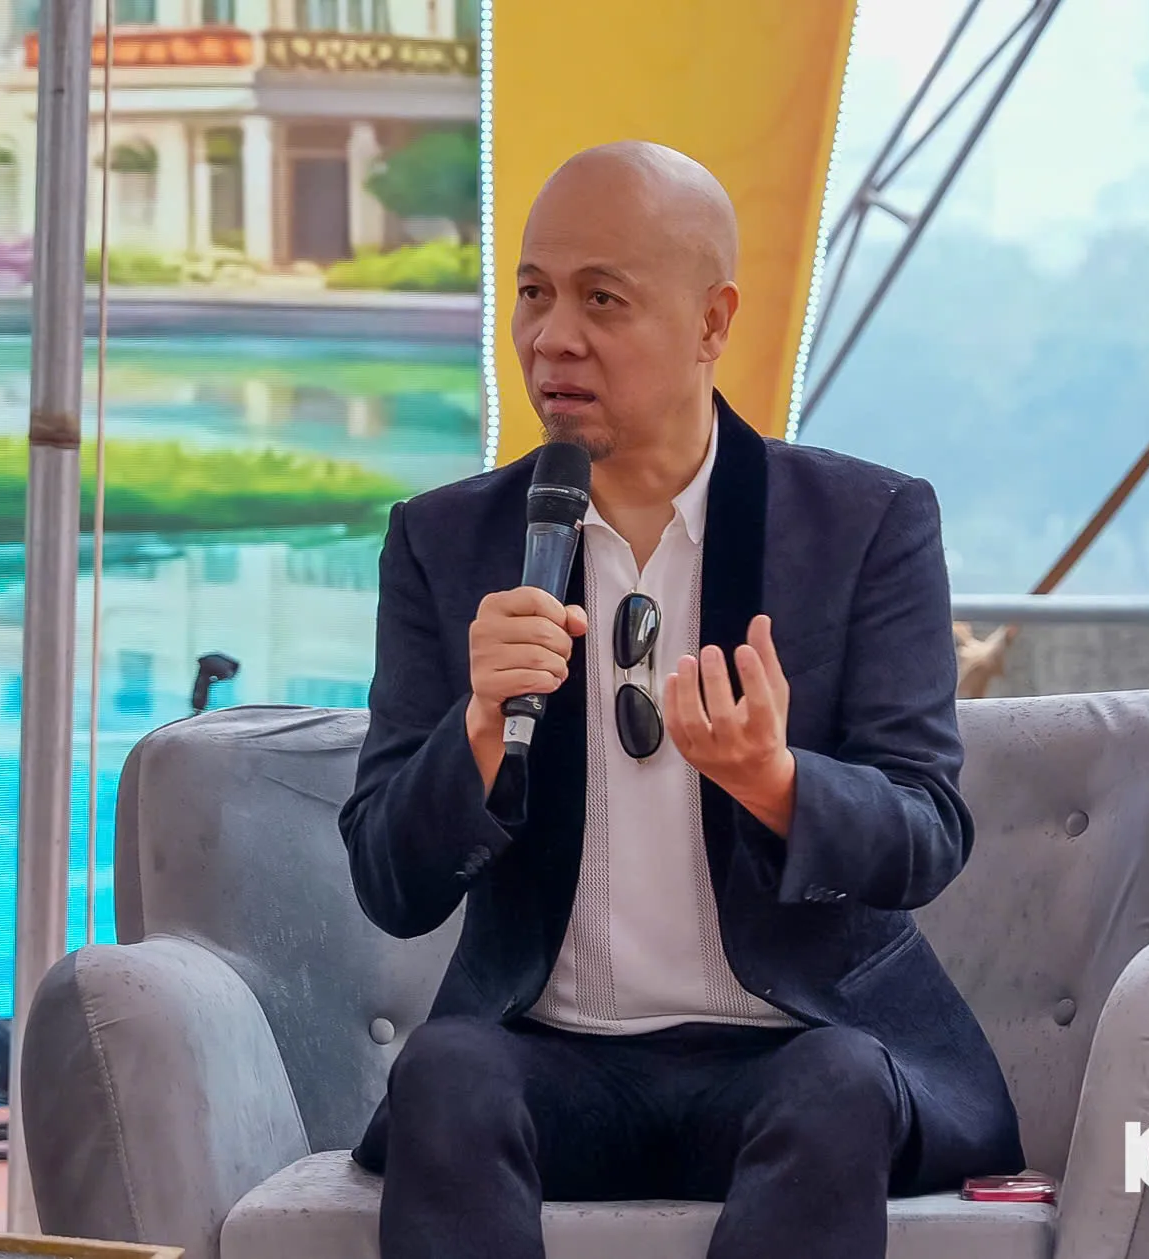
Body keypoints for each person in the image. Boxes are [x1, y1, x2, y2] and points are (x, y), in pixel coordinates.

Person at [337, 140, 1025, 1259]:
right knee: (446, 1071)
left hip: (791, 1052)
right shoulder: (445, 540)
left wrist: (777, 782)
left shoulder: (863, 526)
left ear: (711, 321)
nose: (552, 337)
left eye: (601, 299)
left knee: (839, 1083)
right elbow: (390, 883)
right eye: (532, 292)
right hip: (549, 1059)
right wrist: (477, 729)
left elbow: (926, 833)